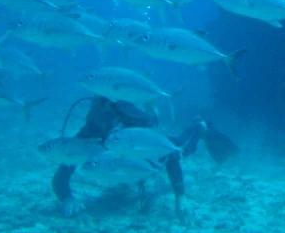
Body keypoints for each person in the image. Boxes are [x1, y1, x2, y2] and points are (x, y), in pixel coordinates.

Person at [52, 96, 238, 224]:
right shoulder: (88, 135)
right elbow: (60, 177)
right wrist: (67, 198)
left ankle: (199, 127)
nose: (102, 130)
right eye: (97, 118)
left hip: (146, 140)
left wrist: (180, 198)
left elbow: (172, 157)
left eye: (108, 122)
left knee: (182, 148)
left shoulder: (133, 130)